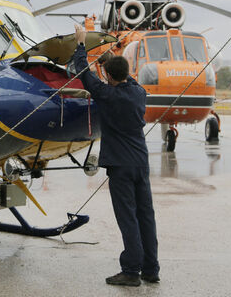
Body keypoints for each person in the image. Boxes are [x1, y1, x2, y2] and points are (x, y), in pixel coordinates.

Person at [72, 24, 159, 287]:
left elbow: (84, 73)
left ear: (108, 76)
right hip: (140, 163)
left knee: (127, 217)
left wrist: (80, 44)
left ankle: (131, 270)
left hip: (120, 166)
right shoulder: (138, 93)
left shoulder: (106, 94)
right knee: (146, 215)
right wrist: (110, 64)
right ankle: (151, 269)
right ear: (128, 74)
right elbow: (122, 78)